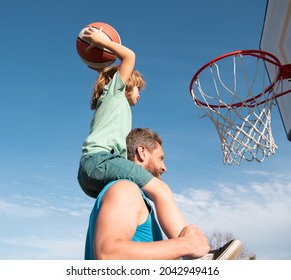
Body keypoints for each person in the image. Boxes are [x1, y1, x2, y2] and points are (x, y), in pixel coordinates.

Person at [77, 25, 188, 241]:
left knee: (138, 195)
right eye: (138, 88)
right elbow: (129, 56)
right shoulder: (116, 94)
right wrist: (102, 41)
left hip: (88, 174)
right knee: (161, 191)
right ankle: (192, 249)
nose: (139, 94)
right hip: (100, 161)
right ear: (126, 85)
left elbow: (105, 75)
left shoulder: (108, 103)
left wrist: (97, 62)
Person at [85, 128, 242, 260]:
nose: (164, 167)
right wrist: (186, 244)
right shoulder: (125, 189)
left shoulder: (136, 199)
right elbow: (108, 253)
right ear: (142, 152)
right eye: (161, 158)